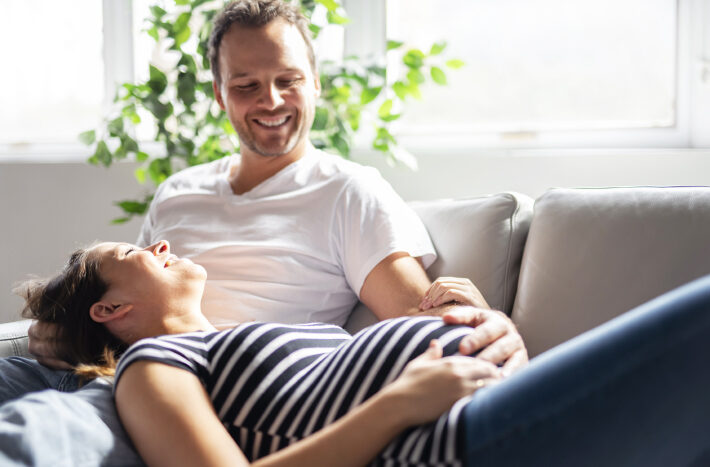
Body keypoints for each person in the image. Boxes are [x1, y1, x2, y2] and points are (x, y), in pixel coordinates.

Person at [23, 0, 526, 395]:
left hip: (233, 390)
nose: (271, 101)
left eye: (289, 81)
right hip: (125, 382)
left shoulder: (349, 191)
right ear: (219, 94)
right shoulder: (178, 192)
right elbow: (122, 303)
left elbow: (420, 325)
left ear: (315, 84)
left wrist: (482, 324)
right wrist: (60, 332)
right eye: (246, 85)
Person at [13, 242, 710, 466]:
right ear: (111, 310)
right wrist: (401, 403)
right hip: (459, 441)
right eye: (138, 252)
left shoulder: (229, 338)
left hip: (497, 401)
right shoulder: (148, 369)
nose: (160, 244)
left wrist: (499, 339)